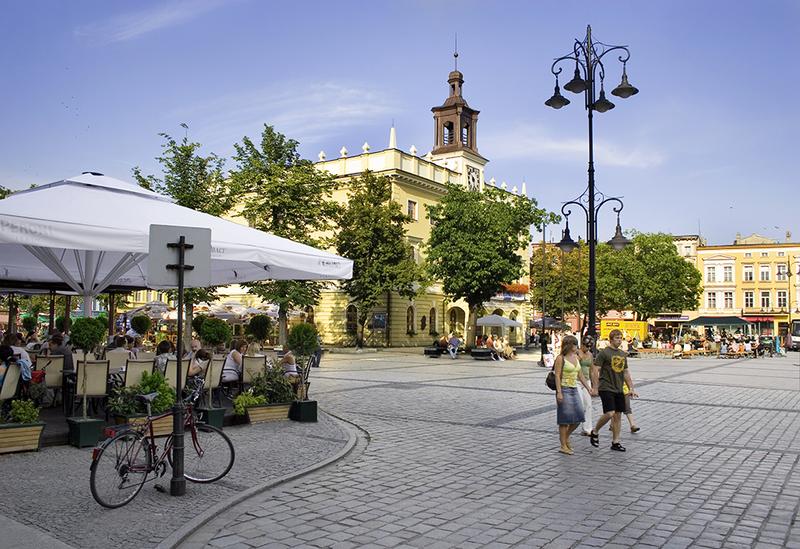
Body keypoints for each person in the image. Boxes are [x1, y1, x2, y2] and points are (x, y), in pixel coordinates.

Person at [589, 329, 638, 452]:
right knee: (610, 413)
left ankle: (616, 442)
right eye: (617, 338)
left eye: (621, 338)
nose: (619, 340)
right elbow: (596, 369)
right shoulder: (604, 353)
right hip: (606, 387)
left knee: (617, 416)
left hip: (619, 388)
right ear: (611, 339)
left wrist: (631, 387)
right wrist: (595, 387)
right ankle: (595, 431)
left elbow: (626, 372)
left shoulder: (622, 354)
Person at [554, 335, 592, 455]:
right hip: (564, 389)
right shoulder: (561, 358)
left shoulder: (576, 357)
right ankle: (563, 445)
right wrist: (559, 392)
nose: (577, 347)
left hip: (574, 388)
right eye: (575, 345)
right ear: (569, 345)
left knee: (579, 417)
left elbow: (580, 375)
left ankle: (566, 438)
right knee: (564, 420)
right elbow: (557, 375)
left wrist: (588, 387)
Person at [577, 335, 595, 437]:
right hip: (577, 381)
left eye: (589, 347)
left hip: (587, 380)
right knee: (581, 404)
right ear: (582, 344)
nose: (587, 349)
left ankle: (587, 428)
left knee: (588, 404)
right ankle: (573, 423)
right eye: (586, 346)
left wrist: (593, 384)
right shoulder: (577, 353)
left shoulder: (590, 355)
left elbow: (592, 370)